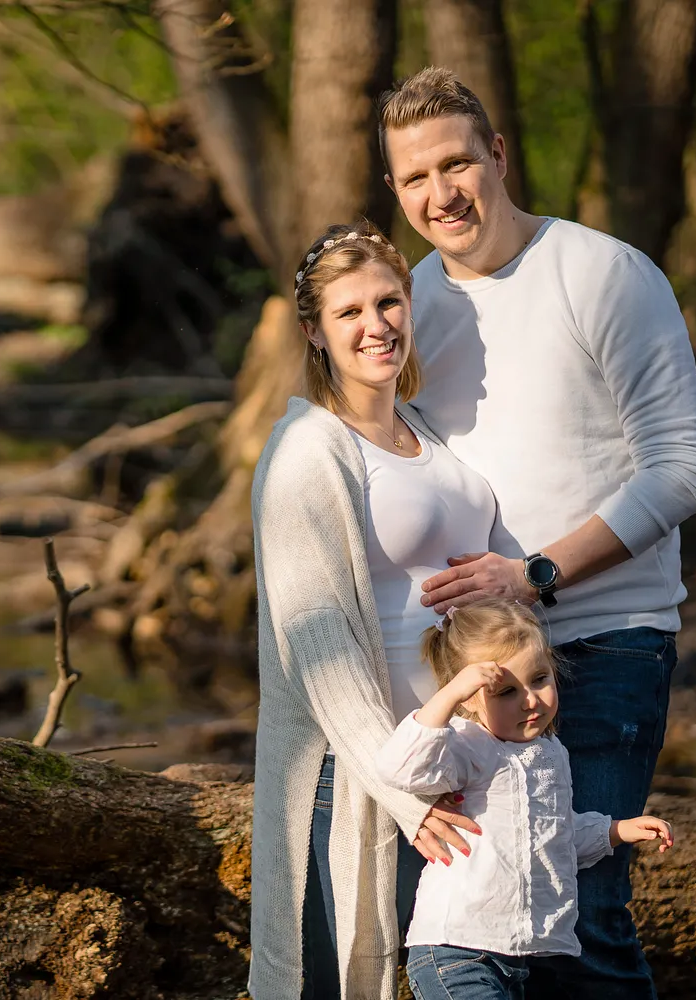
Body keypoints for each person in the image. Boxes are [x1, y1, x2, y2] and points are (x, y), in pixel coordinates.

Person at [375, 67, 696, 998]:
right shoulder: (403, 304)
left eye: (456, 164)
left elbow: (687, 468)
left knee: (588, 915)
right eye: (414, 179)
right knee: (469, 917)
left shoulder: (603, 273)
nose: (440, 194)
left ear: (498, 154)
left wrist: (535, 573)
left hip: (605, 641)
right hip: (468, 660)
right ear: (395, 193)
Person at [249, 218, 490, 1000]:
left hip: (459, 760)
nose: (375, 326)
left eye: (388, 302)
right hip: (359, 775)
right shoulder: (307, 455)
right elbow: (318, 646)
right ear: (315, 332)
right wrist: (401, 793)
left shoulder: (424, 434)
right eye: (349, 312)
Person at [375, 598, 674, 1000]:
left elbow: (557, 837)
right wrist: (447, 697)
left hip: (513, 960)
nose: (530, 700)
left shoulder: (551, 753)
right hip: (455, 949)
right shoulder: (467, 744)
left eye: (539, 679)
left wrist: (616, 830)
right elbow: (398, 768)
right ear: (470, 700)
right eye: (506, 692)